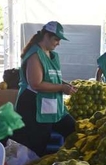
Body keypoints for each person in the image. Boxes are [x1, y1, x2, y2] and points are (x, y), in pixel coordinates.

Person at [11, 21, 76, 157]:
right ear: (46, 35)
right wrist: (62, 87)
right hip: (33, 105)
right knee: (36, 145)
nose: (58, 43)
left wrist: (65, 84)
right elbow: (36, 84)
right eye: (56, 39)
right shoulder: (35, 54)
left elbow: (51, 78)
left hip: (50, 104)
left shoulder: (52, 55)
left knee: (72, 127)